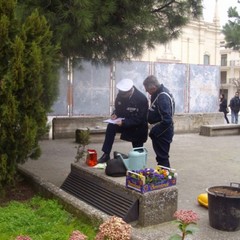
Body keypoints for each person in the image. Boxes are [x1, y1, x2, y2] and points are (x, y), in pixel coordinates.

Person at [98, 78, 149, 163]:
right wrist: (115, 114)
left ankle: (138, 162)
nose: (121, 96)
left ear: (130, 91)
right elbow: (118, 109)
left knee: (137, 151)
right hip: (123, 123)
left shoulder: (141, 99)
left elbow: (140, 119)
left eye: (123, 94)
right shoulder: (120, 95)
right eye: (120, 93)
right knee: (111, 126)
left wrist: (124, 122)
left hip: (137, 127)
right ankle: (106, 154)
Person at [143, 75, 175, 168]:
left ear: (153, 87)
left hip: (163, 132)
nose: (146, 91)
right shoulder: (159, 93)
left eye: (147, 89)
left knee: (162, 157)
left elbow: (167, 120)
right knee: (161, 157)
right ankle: (163, 176)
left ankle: (164, 177)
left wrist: (155, 132)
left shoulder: (162, 97)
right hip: (161, 131)